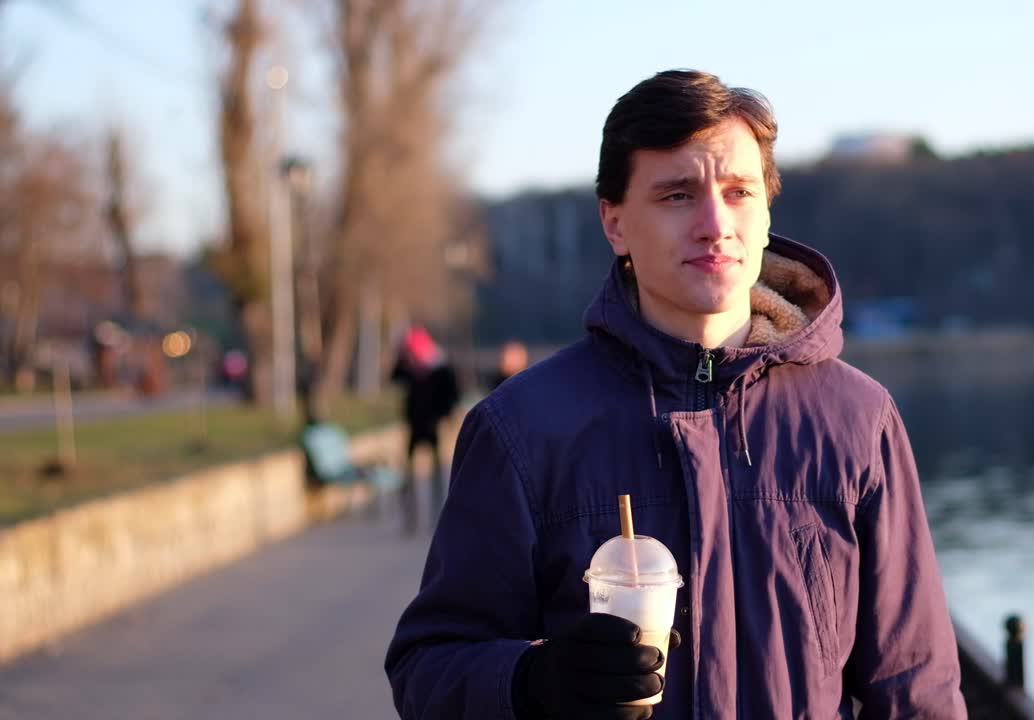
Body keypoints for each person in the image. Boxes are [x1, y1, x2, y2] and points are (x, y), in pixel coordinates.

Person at [386, 70, 965, 718]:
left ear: (767, 212)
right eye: (677, 196)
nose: (715, 223)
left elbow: (918, 691)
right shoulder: (523, 430)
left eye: (739, 191)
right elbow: (427, 669)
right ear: (615, 223)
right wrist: (531, 679)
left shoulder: (858, 421)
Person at [390, 324, 460, 536]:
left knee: (438, 474)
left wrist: (445, 417)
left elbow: (451, 396)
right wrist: (402, 357)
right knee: (409, 474)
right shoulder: (409, 367)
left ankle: (440, 516)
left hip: (434, 426)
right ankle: (411, 518)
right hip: (414, 426)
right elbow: (394, 377)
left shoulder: (440, 367)